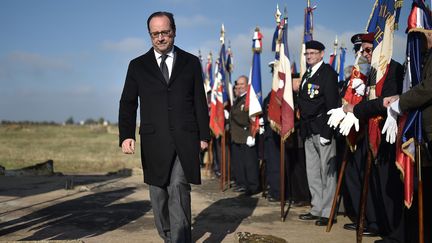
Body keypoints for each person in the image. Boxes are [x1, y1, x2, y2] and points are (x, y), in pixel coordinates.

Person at [118, 11, 210, 243]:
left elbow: (200, 101)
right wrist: (126, 135)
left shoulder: (190, 63)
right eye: (155, 34)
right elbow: (128, 103)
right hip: (153, 141)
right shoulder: (137, 66)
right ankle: (169, 236)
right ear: (150, 35)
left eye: (165, 32)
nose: (160, 38)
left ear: (174, 32)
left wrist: (204, 135)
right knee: (158, 195)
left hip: (184, 138)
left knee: (178, 188)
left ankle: (180, 240)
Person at [329, 32, 405, 241]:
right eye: (362, 50)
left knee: (387, 185)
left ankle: (393, 233)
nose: (363, 53)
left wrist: (357, 108)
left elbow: (385, 102)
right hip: (366, 131)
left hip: (385, 133)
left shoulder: (393, 69)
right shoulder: (368, 72)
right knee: (372, 182)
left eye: (368, 50)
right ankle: (377, 223)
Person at [382, 30, 432, 243]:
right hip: (422, 132)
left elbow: (427, 88)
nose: (415, 40)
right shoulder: (423, 57)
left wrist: (400, 103)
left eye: (419, 35)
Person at [297, 40, 340, 226]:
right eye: (307, 54)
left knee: (327, 173)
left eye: (313, 53)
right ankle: (316, 208)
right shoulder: (307, 73)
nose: (309, 56)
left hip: (323, 128)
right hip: (308, 129)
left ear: (322, 54)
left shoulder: (328, 73)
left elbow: (332, 105)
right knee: (313, 172)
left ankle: (328, 211)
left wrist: (327, 132)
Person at [229, 75, 260, 196]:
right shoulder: (238, 99)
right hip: (237, 136)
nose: (239, 86)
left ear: (247, 85)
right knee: (239, 163)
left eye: (242, 84)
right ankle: (242, 183)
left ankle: (253, 186)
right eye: (238, 84)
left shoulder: (249, 99)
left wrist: (251, 134)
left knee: (249, 163)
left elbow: (249, 117)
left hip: (246, 135)